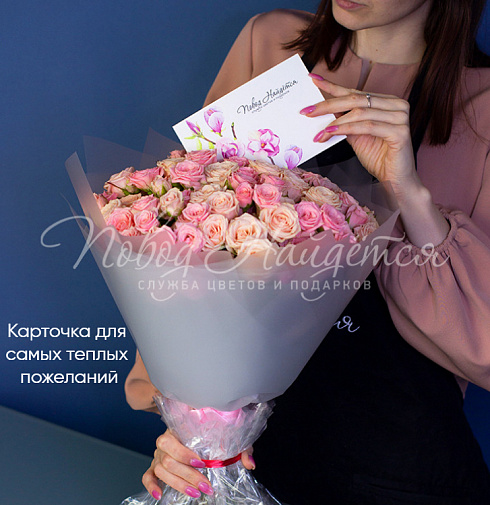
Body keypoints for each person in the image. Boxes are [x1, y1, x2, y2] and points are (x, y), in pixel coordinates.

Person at [125, 1, 490, 503]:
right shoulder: (271, 45)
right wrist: (190, 423)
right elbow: (186, 239)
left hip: (397, 472)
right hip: (249, 453)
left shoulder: (483, 106)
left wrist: (407, 191)